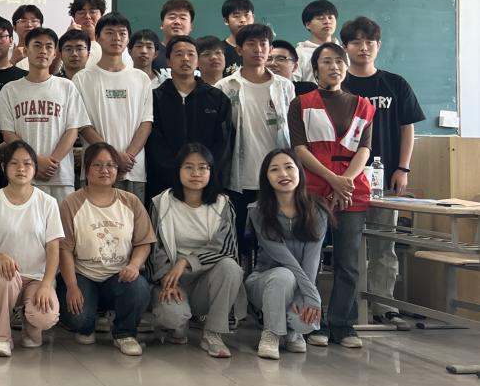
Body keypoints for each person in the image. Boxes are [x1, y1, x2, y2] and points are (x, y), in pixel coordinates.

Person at [289, 42, 373, 348]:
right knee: (309, 260)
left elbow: (364, 149)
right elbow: (299, 149)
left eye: (339, 61)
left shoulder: (363, 105)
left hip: (351, 191)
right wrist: (332, 180)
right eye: (327, 61)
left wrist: (344, 182)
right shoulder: (301, 104)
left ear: (346, 67)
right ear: (316, 68)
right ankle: (314, 324)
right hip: (314, 189)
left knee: (347, 262)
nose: (334, 66)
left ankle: (343, 325)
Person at [341, 16, 424, 315]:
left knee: (384, 246)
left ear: (378, 45)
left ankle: (383, 306)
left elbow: (407, 128)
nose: (363, 48)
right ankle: (350, 308)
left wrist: (403, 168)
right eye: (356, 42)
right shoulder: (339, 85)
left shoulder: (395, 83)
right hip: (346, 180)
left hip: (386, 178)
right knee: (348, 248)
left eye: (369, 42)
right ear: (345, 47)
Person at [59, 142, 156, 357]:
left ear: (117, 170)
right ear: (86, 169)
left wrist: (134, 265)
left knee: (139, 288)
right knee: (78, 318)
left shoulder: (130, 201)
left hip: (118, 276)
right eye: (97, 165)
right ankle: (87, 325)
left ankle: (124, 333)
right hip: (83, 275)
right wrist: (72, 286)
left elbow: (143, 242)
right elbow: (64, 249)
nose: (105, 170)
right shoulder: (71, 203)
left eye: (111, 165)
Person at [149, 144, 243, 358]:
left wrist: (186, 261)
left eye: (203, 167)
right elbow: (155, 248)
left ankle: (213, 333)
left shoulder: (222, 204)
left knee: (230, 267)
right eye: (188, 167)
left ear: (211, 171)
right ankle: (177, 325)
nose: (196, 173)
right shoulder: (161, 203)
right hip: (172, 280)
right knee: (172, 317)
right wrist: (166, 278)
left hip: (207, 281)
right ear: (178, 170)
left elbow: (226, 248)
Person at [0, 139, 63, 357]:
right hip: (5, 276)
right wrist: (0, 257)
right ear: (3, 167)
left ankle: (30, 324)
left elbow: (54, 249)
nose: (21, 169)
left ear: (35, 168)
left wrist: (46, 284)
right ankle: (2, 336)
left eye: (27, 163)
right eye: (14, 163)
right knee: (6, 278)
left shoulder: (48, 203)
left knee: (44, 317)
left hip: (37, 278)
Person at [217, 23, 295, 261]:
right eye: (251, 44)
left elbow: (293, 133)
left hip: (277, 178)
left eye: (263, 44)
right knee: (239, 242)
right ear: (239, 50)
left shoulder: (284, 87)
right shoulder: (225, 87)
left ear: (270, 49)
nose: (258, 49)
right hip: (239, 177)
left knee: (275, 243)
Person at [246, 148, 330, 359]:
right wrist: (312, 294)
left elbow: (312, 260)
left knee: (304, 322)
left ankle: (292, 332)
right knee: (284, 274)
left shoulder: (318, 210)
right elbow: (285, 260)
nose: (283, 174)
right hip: (264, 282)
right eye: (274, 169)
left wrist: (307, 296)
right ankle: (271, 333)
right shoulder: (257, 211)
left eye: (289, 167)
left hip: (301, 284)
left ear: (300, 172)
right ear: (266, 177)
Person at [0, 28, 89, 201]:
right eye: (37, 45)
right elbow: (8, 134)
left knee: (62, 220)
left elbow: (72, 130)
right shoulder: (10, 90)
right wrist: (35, 161)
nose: (43, 51)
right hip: (23, 176)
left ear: (55, 53)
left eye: (48, 46)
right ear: (26, 50)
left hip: (60, 176)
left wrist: (52, 161)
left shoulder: (67, 87)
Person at [74, 14, 155, 202]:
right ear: (98, 37)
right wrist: (112, 157)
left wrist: (127, 156)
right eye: (109, 33)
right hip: (95, 168)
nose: (116, 38)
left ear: (128, 39)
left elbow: (146, 122)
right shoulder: (82, 78)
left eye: (122, 33)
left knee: (132, 218)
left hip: (132, 169)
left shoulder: (141, 78)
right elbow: (83, 124)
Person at [146, 36, 232, 202]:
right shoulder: (154, 98)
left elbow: (223, 143)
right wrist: (177, 174)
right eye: (179, 54)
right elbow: (154, 143)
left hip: (207, 184)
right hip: (164, 186)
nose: (185, 58)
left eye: (191, 54)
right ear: (168, 61)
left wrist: (203, 172)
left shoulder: (217, 99)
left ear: (198, 60)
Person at [296, 0, 338, 84]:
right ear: (308, 25)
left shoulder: (344, 51)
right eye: (320, 18)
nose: (327, 22)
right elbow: (294, 85)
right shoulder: (299, 53)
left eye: (330, 17)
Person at [152, 0, 195, 78]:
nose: (177, 22)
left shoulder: (200, 54)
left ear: (191, 26)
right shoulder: (151, 53)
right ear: (162, 24)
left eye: (183, 18)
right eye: (172, 17)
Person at [221, 0, 254, 76]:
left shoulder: (262, 50)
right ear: (226, 21)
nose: (243, 20)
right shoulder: (219, 50)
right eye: (236, 16)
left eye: (246, 15)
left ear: (253, 18)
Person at [10, 4, 44, 69]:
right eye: (23, 21)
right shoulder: (5, 54)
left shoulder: (47, 53)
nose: (29, 25)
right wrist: (13, 60)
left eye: (34, 21)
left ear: (41, 27)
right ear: (14, 27)